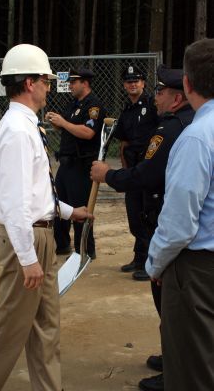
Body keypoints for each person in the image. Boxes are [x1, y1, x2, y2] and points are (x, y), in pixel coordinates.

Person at [0, 44, 92, 391]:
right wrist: (27, 258)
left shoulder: (25, 126)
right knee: (7, 330)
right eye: (47, 81)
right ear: (31, 82)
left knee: (46, 327)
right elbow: (16, 202)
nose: (50, 87)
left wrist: (67, 210)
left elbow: (35, 192)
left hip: (39, 234)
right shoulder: (19, 131)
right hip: (28, 239)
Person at [90, 64, 194, 391]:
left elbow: (148, 173)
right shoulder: (189, 122)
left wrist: (108, 176)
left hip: (167, 222)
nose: (156, 95)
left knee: (169, 299)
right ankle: (173, 354)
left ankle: (176, 370)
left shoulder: (171, 129)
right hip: (170, 221)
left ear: (176, 98)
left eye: (161, 91)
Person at [146, 38, 214, 391]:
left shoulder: (196, 138)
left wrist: (156, 264)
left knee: (192, 372)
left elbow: (178, 223)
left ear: (187, 85)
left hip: (198, 272)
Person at [46, 68, 106, 259]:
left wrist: (63, 122)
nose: (70, 85)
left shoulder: (93, 106)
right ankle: (62, 244)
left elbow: (88, 133)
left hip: (81, 165)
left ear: (85, 83)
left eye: (74, 82)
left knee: (81, 208)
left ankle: (85, 250)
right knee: (59, 205)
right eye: (70, 82)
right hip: (66, 164)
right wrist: (56, 121)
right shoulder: (74, 104)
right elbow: (67, 126)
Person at [114, 64, 158, 281]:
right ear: (124, 85)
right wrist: (125, 168)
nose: (133, 84)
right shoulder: (126, 110)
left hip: (148, 169)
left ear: (143, 83)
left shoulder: (152, 105)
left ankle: (151, 262)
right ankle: (139, 258)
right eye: (129, 81)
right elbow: (123, 142)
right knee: (135, 216)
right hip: (132, 170)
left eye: (137, 81)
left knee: (148, 216)